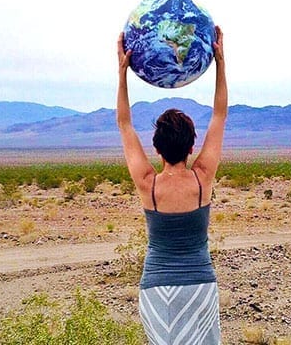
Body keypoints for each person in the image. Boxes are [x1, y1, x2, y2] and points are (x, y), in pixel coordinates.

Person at [116, 26, 227, 344]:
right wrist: (220, 62)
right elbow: (219, 115)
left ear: (156, 149)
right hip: (200, 286)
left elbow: (124, 124)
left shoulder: (147, 184)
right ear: (193, 146)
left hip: (155, 288)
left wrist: (123, 71)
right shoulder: (202, 178)